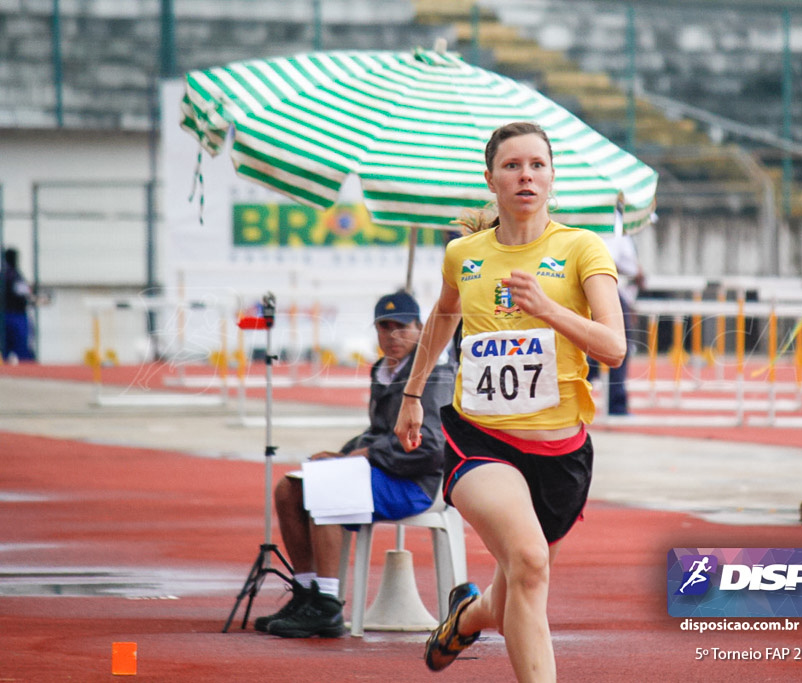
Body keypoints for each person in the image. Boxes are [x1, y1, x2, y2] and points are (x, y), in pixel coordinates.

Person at [394, 121, 626, 681]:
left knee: (520, 584)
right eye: (513, 166)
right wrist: (412, 393)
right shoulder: (464, 255)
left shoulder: (580, 248)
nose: (526, 175)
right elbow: (443, 318)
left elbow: (615, 347)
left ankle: (466, 617)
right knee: (528, 562)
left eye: (537, 165)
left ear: (551, 178)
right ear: (491, 179)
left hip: (560, 453)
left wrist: (547, 309)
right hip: (482, 441)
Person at [256, 290, 455, 638]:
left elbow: (433, 448)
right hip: (383, 472)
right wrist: (344, 453)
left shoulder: (435, 374)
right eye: (384, 327)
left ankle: (328, 606)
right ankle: (306, 593)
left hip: (418, 484)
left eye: (401, 327)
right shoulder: (383, 370)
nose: (392, 336)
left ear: (421, 328)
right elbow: (378, 432)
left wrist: (365, 456)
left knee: (326, 487)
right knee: (289, 489)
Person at [587, 219, 644, 415]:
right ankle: (616, 403)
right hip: (606, 289)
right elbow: (627, 266)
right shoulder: (616, 226)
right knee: (618, 344)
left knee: (592, 344)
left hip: (593, 288)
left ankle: (587, 381)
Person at [1, 248, 36, 363]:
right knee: (22, 349)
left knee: (5, 349)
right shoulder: (16, 276)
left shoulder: (4, 275)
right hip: (17, 316)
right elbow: (25, 295)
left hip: (5, 315)